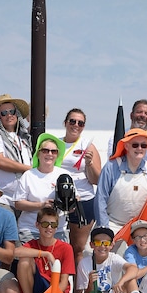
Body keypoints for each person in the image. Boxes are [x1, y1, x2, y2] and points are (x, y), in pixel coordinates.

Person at [69, 227, 147, 293]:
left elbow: (133, 268)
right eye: (98, 243)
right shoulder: (84, 263)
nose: (102, 246)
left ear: (112, 245)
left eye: (106, 243)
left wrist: (120, 282)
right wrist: (90, 285)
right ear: (91, 245)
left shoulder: (114, 258)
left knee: (130, 278)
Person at [15, 207, 75, 293]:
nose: (49, 228)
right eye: (45, 224)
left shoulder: (66, 248)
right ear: (37, 225)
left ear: (57, 227)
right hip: (38, 288)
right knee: (24, 260)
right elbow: (16, 251)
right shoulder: (32, 244)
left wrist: (55, 292)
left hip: (56, 289)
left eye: (53, 225)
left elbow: (64, 280)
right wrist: (46, 254)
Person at [94, 128, 147, 235]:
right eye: (135, 145)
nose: (139, 148)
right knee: (89, 251)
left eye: (143, 145)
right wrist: (104, 228)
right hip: (113, 224)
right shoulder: (111, 166)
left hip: (142, 226)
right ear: (126, 146)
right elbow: (100, 199)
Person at [59, 108, 101, 266]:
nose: (76, 125)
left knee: (77, 249)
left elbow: (96, 179)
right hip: (59, 200)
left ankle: (77, 290)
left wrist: (89, 164)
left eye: (80, 123)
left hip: (83, 200)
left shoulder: (88, 146)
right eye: (72, 121)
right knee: (59, 246)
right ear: (65, 123)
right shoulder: (55, 143)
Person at [0, 94, 33, 209]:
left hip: (23, 199)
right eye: (4, 113)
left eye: (12, 111)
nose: (9, 115)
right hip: (2, 199)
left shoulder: (24, 137)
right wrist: (30, 170)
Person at [14, 133, 70, 243]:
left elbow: (74, 202)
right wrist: (42, 205)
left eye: (54, 151)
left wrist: (69, 204)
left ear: (57, 155)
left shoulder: (65, 175)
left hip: (57, 230)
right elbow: (18, 203)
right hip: (31, 229)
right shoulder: (28, 175)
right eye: (45, 150)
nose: (50, 154)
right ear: (38, 153)